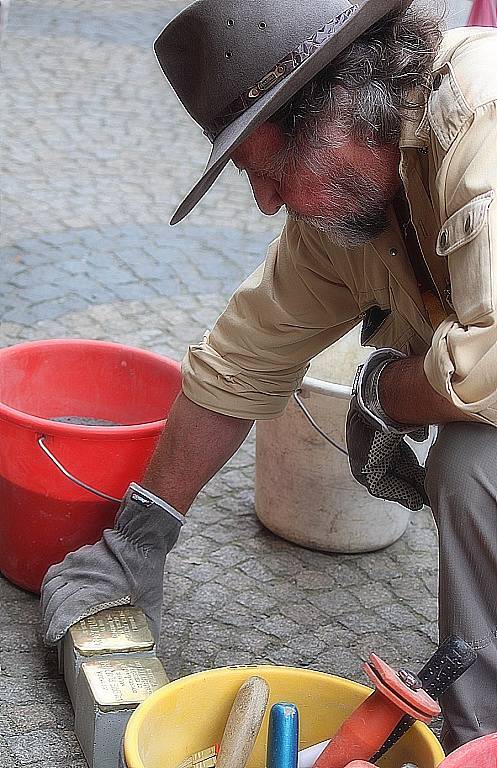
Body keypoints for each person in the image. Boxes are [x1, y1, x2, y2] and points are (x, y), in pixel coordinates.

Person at [40, 0, 497, 753]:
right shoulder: (351, 201)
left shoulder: (481, 120)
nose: (263, 200)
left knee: (469, 461)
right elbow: (241, 357)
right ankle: (480, 737)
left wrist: (381, 390)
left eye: (269, 168)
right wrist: (138, 541)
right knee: (473, 463)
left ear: (338, 111)